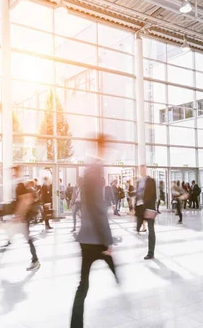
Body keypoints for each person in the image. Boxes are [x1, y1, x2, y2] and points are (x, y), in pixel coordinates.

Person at [70, 134, 117, 328]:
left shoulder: (89, 170)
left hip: (87, 236)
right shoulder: (96, 173)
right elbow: (98, 210)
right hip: (94, 237)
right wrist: (107, 240)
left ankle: (75, 324)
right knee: (86, 281)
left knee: (84, 282)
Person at [0, 167, 40, 271]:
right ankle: (35, 260)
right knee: (17, 238)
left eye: (14, 172)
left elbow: (26, 200)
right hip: (21, 218)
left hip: (22, 219)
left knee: (26, 239)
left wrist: (19, 216)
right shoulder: (20, 184)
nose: (13, 174)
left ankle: (35, 260)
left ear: (19, 172)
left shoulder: (20, 185)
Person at [136, 165, 157, 259]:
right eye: (140, 169)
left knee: (151, 230)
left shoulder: (151, 180)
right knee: (138, 227)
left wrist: (152, 208)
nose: (142, 171)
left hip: (149, 209)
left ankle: (151, 252)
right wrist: (135, 208)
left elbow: (153, 195)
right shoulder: (138, 181)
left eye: (143, 169)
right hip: (140, 208)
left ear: (145, 170)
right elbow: (138, 196)